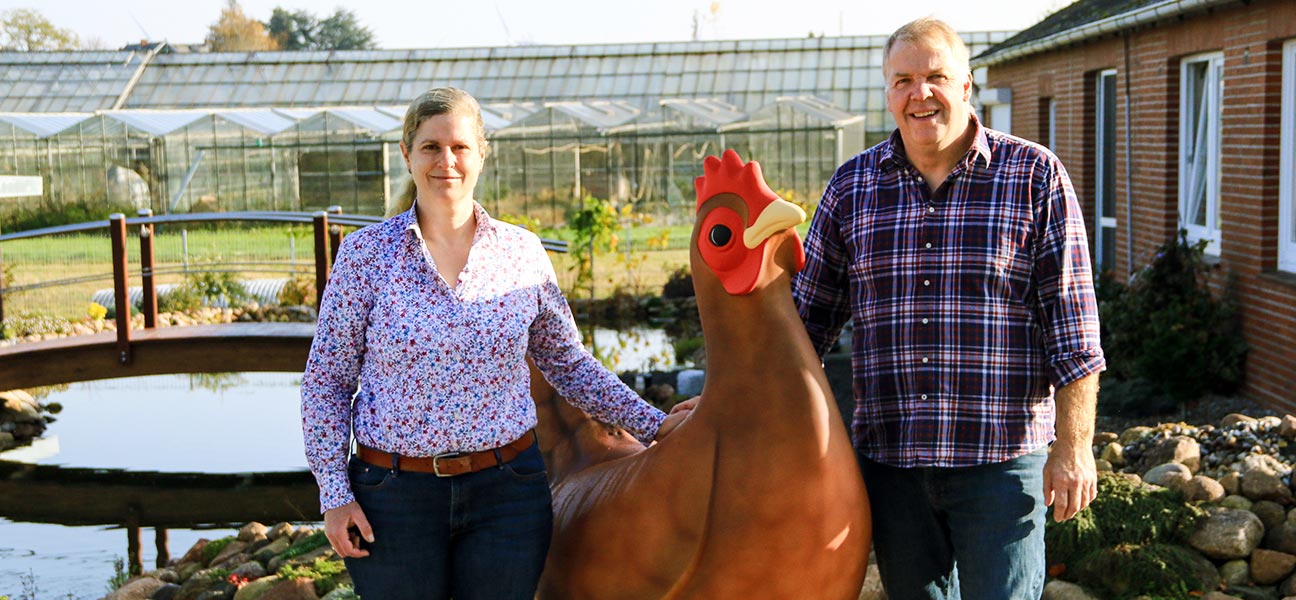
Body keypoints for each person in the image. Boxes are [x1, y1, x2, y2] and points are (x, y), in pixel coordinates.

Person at [300, 86, 688, 600]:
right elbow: (326, 382)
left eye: (460, 147)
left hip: (507, 495)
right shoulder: (365, 256)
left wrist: (656, 425)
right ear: (406, 155)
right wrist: (335, 493)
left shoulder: (521, 252)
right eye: (431, 147)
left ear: (482, 153)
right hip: (392, 497)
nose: (447, 161)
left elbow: (567, 362)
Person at [790, 18, 1106, 599]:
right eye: (903, 80)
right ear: (887, 93)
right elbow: (804, 324)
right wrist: (728, 406)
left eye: (936, 76)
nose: (920, 94)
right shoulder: (852, 188)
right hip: (892, 468)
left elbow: (1075, 331)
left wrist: (1074, 445)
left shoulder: (1033, 176)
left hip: (1001, 467)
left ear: (966, 86)